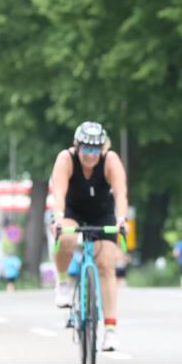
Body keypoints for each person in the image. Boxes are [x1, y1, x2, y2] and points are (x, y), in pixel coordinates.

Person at [50, 121, 129, 351]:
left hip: (101, 214)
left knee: (106, 265)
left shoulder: (110, 160)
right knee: (66, 238)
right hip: (71, 211)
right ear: (77, 146)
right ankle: (63, 283)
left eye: (96, 149)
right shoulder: (66, 159)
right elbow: (58, 193)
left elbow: (121, 193)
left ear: (102, 148)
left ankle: (111, 331)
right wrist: (57, 218)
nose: (91, 154)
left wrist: (122, 218)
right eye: (86, 148)